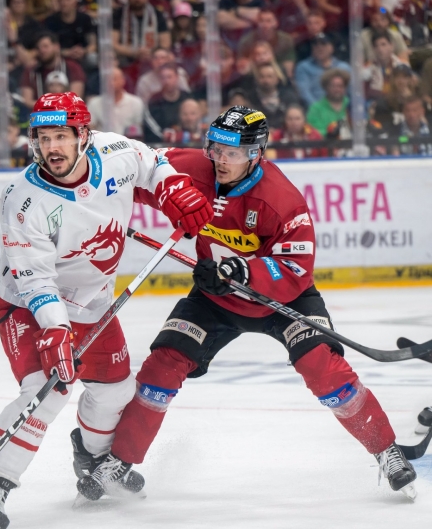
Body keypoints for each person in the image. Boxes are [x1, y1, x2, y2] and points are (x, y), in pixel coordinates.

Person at [74, 105, 418, 502]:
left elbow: (295, 268)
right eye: (216, 148)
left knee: (322, 367)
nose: (220, 159)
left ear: (256, 154)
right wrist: (94, 198)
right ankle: (120, 461)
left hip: (280, 299)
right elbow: (134, 170)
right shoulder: (193, 169)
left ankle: (387, 451)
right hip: (214, 299)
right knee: (162, 365)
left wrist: (241, 272)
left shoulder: (281, 199)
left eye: (232, 152)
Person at [0, 91, 213, 529]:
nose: (52, 147)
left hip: (92, 301)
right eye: (43, 137)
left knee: (114, 391)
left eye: (61, 136)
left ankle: (93, 462)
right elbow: (34, 278)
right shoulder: (21, 199)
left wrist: (174, 191)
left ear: (83, 136)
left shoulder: (115, 151)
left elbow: (152, 164)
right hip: (27, 304)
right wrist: (55, 330)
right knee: (48, 391)